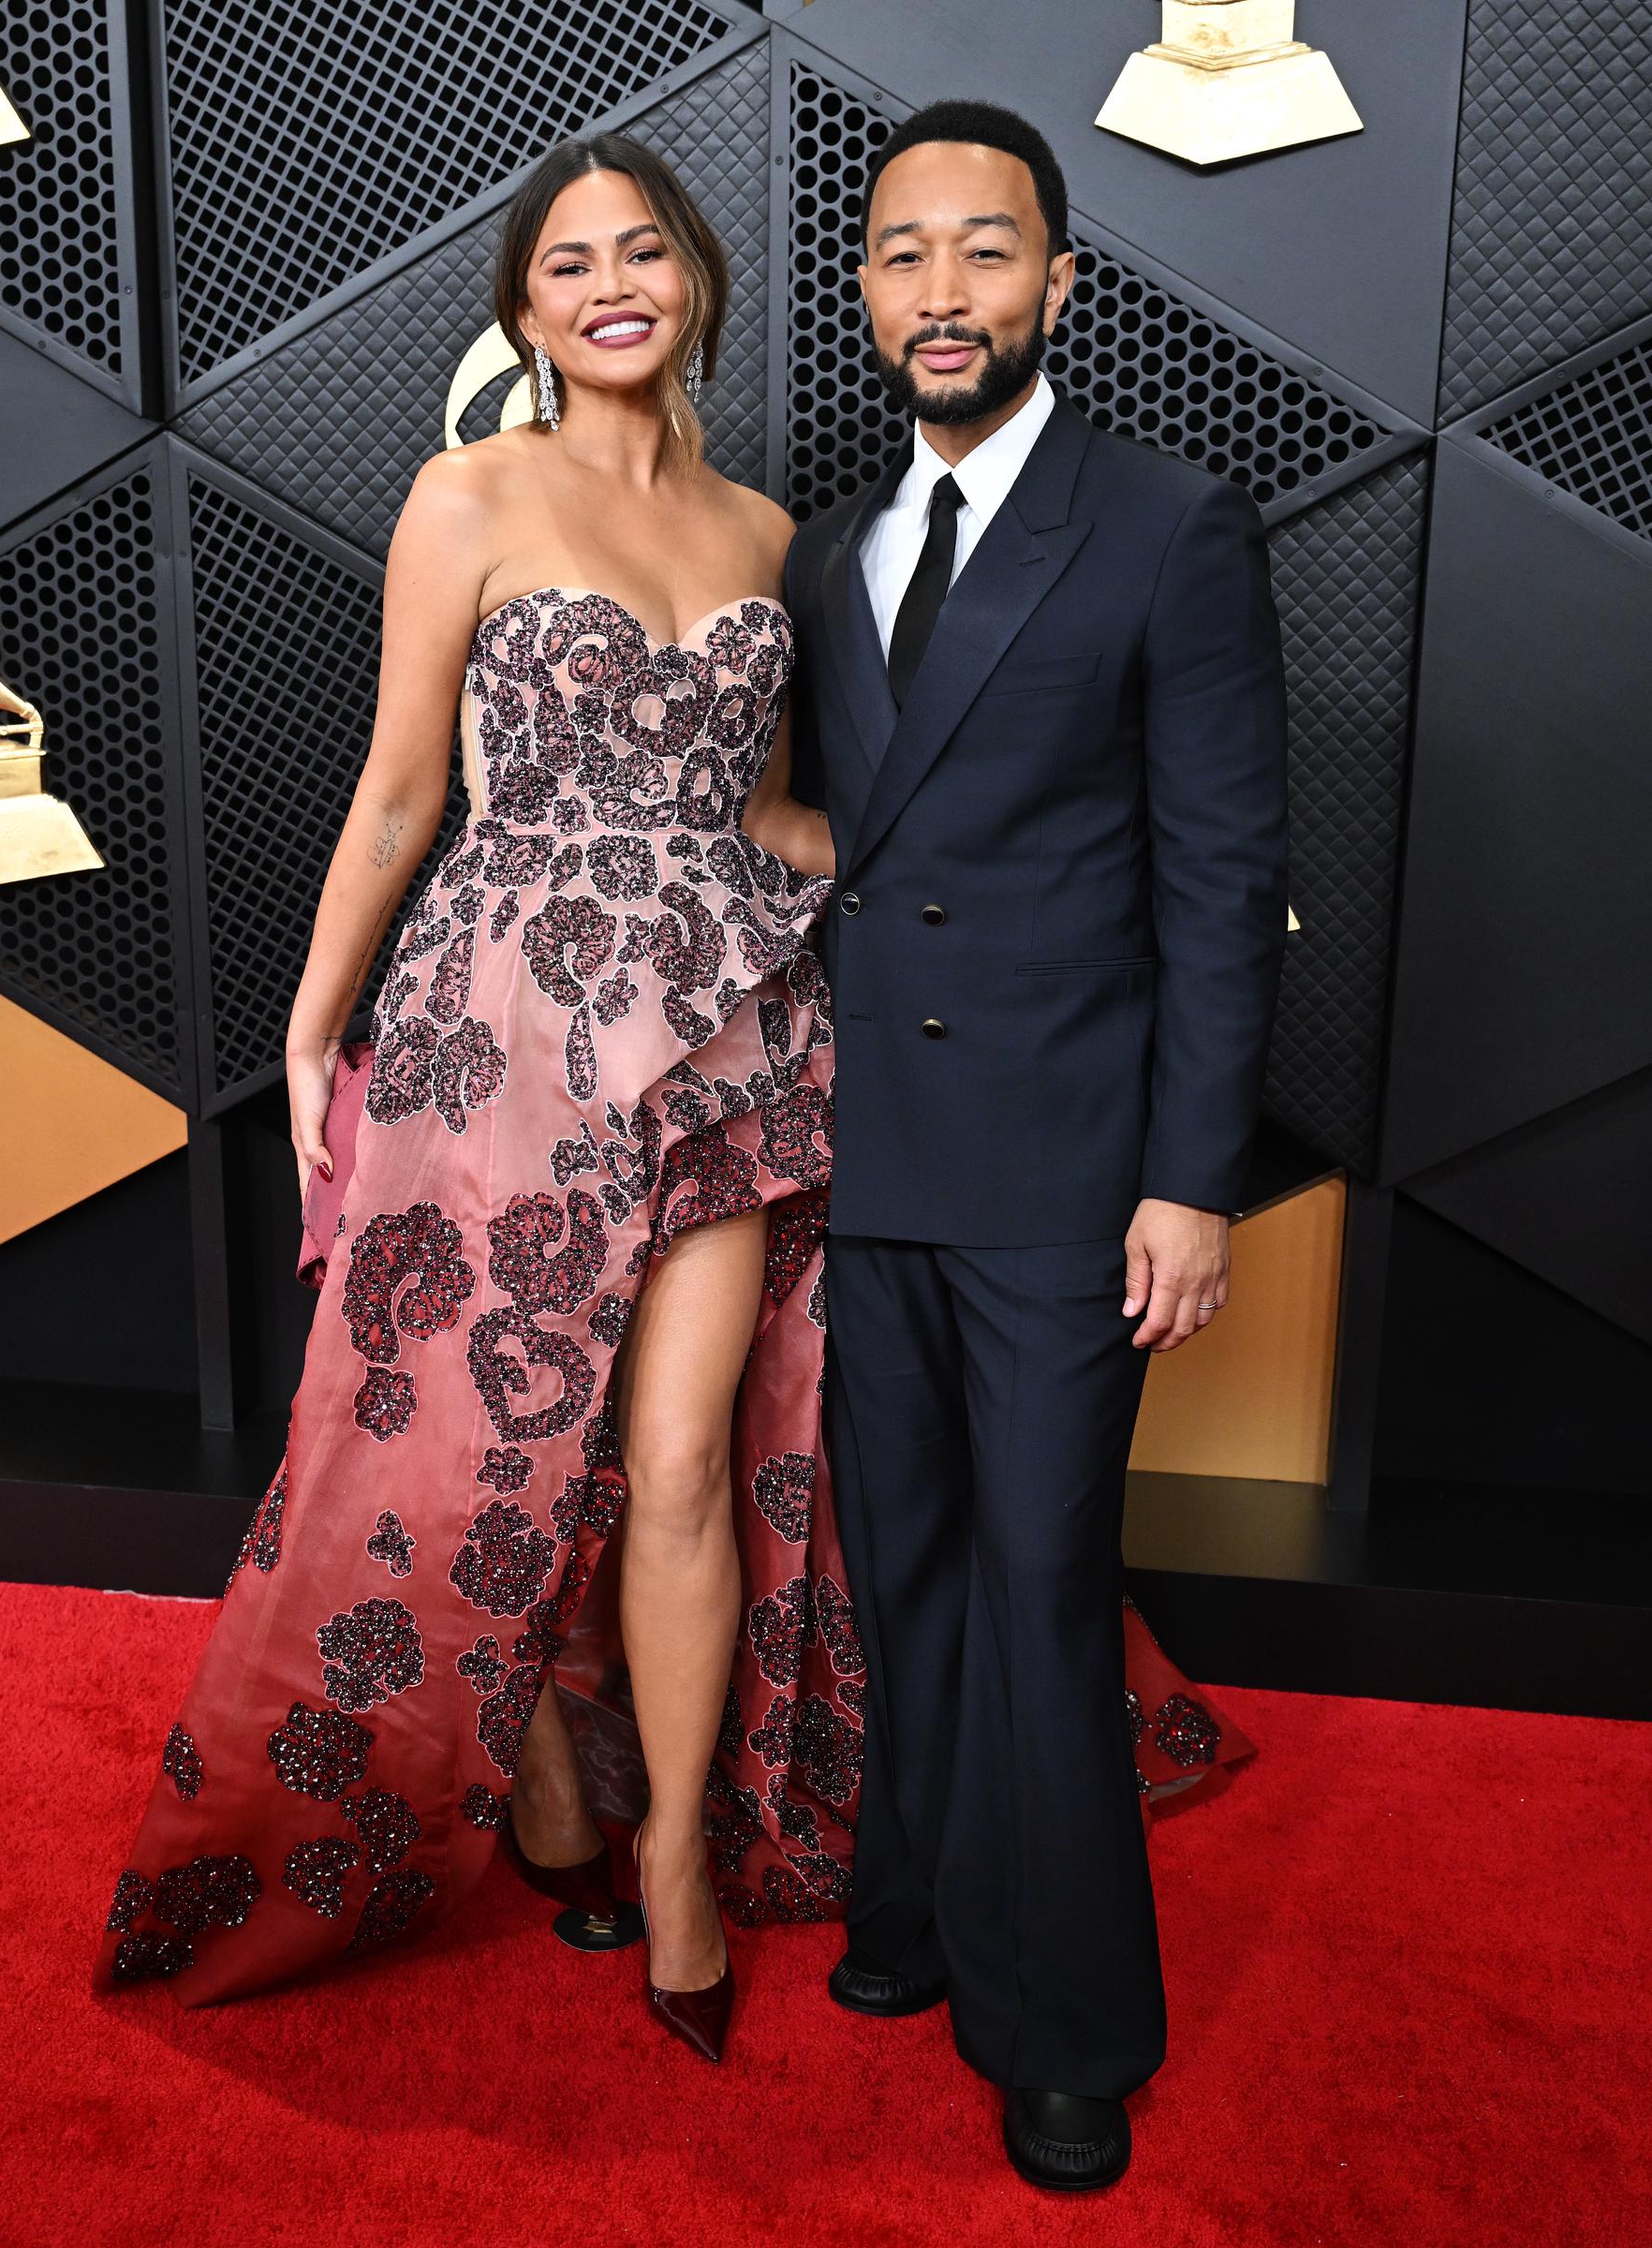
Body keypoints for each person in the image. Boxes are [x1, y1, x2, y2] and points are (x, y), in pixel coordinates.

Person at [90, 130, 1251, 2071]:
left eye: (643, 250)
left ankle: (689, 1869)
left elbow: (795, 813)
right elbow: (400, 795)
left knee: (688, 1459)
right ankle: (547, 1784)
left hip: (713, 1043)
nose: (610, 282)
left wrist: (1036, 879)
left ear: (696, 280)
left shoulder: (771, 533)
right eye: (567, 264)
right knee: (484, 1454)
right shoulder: (464, 497)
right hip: (495, 1036)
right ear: (524, 309)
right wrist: (309, 1029)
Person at [784, 101, 1289, 2187]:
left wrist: (1191, 1179)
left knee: (1043, 1580)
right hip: (873, 1150)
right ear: (871, 293)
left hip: (1075, 1173)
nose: (940, 294)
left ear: (1060, 283)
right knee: (896, 1567)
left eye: (985, 253)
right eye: (903, 256)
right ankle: (916, 1905)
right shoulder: (831, 548)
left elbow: (1223, 868)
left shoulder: (1166, 522)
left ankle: (1070, 2017)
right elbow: (847, 843)